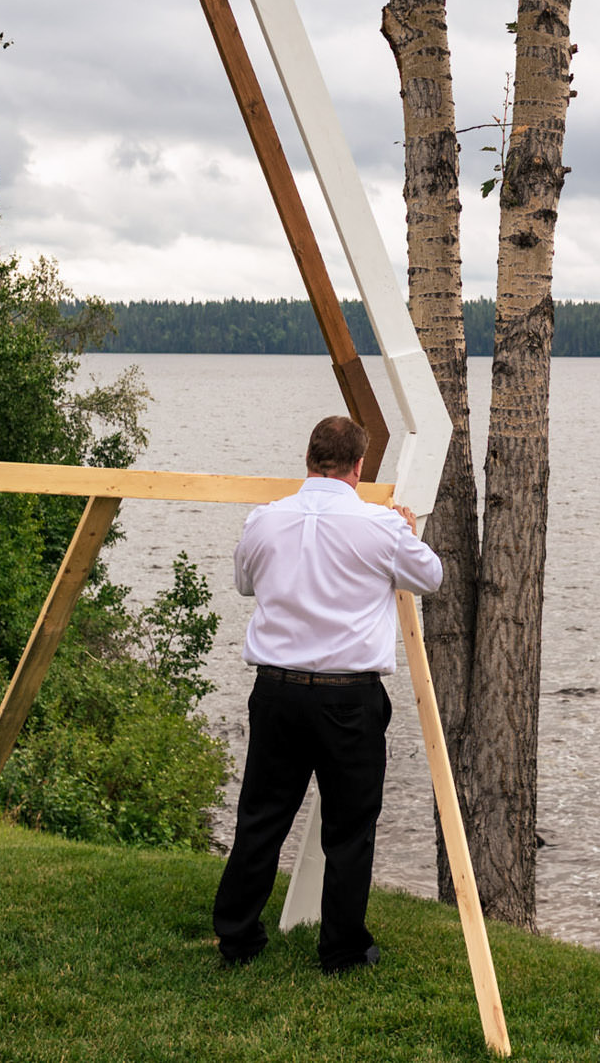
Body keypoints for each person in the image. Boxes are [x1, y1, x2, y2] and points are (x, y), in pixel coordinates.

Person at [212, 414, 443, 972]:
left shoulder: (265, 520)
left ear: (309, 461)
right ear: (360, 468)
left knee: (261, 816)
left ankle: (238, 938)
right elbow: (430, 577)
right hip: (348, 698)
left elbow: (245, 584)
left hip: (277, 691)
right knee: (350, 827)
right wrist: (407, 533)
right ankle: (341, 949)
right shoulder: (380, 527)